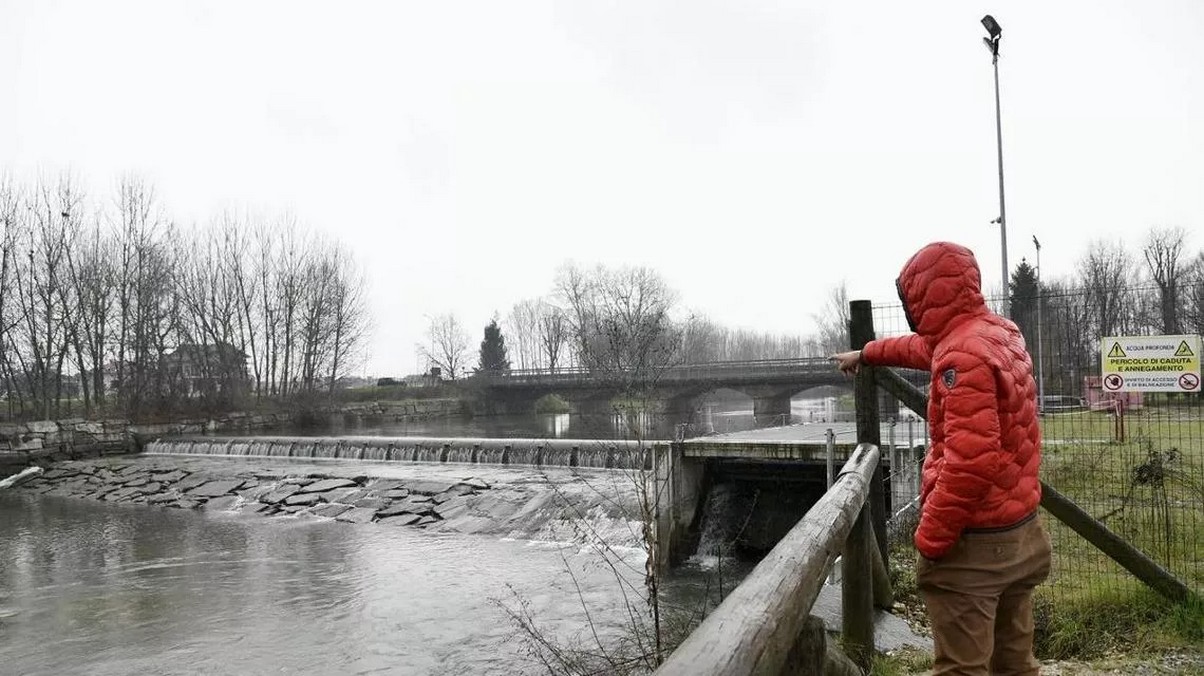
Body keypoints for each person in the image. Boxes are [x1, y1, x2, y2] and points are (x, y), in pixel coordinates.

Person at [832, 241, 1051, 676]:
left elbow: (971, 461)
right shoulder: (997, 332)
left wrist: (930, 539)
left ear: (922, 298)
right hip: (1022, 530)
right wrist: (868, 352)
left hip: (976, 545)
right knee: (1014, 662)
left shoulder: (961, 355)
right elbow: (922, 348)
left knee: (961, 668)